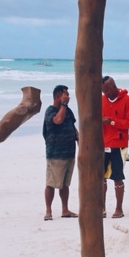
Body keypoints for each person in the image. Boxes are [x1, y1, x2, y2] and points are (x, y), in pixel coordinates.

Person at [100, 76, 129, 218]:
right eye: (103, 91)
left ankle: (118, 209)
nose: (105, 94)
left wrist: (113, 122)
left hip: (119, 144)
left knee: (117, 177)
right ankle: (102, 209)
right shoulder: (102, 100)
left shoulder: (128, 101)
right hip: (103, 144)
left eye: (107, 90)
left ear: (113, 87)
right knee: (101, 177)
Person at [42, 84, 79, 220]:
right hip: (55, 154)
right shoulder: (50, 111)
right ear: (58, 96)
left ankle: (65, 209)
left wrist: (79, 139)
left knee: (65, 184)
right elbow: (58, 120)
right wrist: (63, 104)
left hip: (69, 152)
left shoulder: (67, 110)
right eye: (66, 94)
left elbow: (72, 126)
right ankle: (48, 211)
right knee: (51, 183)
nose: (68, 97)